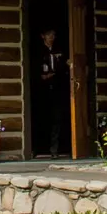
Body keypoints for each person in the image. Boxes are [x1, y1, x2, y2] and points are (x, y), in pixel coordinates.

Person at [34, 27, 70, 156]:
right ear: (42, 36)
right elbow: (37, 71)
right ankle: (38, 148)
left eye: (53, 34)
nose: (52, 37)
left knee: (57, 119)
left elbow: (65, 66)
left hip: (58, 89)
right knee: (43, 119)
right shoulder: (38, 51)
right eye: (49, 34)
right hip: (42, 91)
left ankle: (55, 149)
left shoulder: (59, 50)